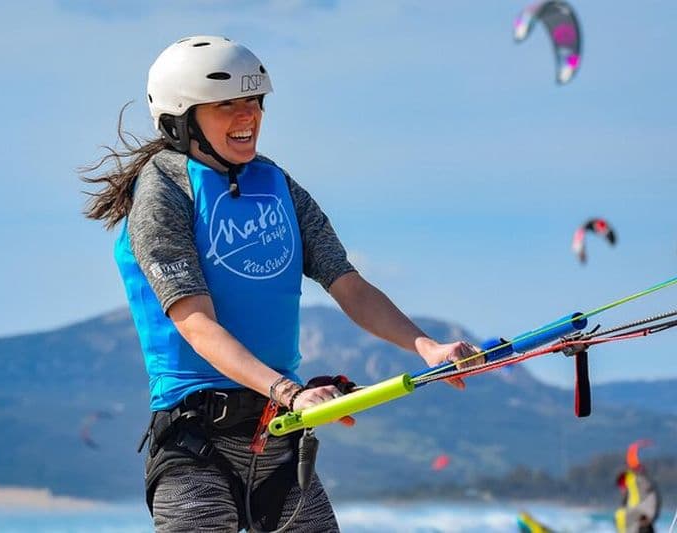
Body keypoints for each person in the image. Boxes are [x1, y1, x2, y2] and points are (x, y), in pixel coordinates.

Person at [82, 35, 482, 532]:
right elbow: (197, 324)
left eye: (254, 101)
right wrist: (291, 392)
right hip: (196, 447)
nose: (247, 115)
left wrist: (427, 346)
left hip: (277, 437)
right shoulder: (162, 192)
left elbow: (348, 284)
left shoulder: (275, 183)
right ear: (181, 121)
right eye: (226, 104)